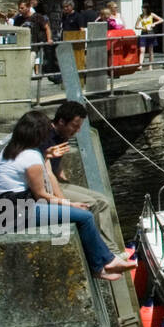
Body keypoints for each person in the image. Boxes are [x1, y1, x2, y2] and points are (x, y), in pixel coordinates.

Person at [0, 110, 135, 282]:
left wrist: (46, 156)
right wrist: (69, 204)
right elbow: (42, 196)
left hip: (3, 209)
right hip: (19, 212)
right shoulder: (31, 157)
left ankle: (107, 261)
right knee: (85, 217)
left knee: (83, 213)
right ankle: (101, 267)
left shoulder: (10, 150)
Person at [39, 101, 123, 254]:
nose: (77, 131)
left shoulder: (63, 134)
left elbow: (55, 166)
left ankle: (112, 250)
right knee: (92, 203)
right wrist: (64, 201)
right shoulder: (45, 137)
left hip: (56, 182)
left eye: (79, 127)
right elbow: (47, 172)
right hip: (46, 188)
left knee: (103, 200)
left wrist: (62, 174)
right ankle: (103, 251)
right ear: (61, 121)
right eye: (75, 126)